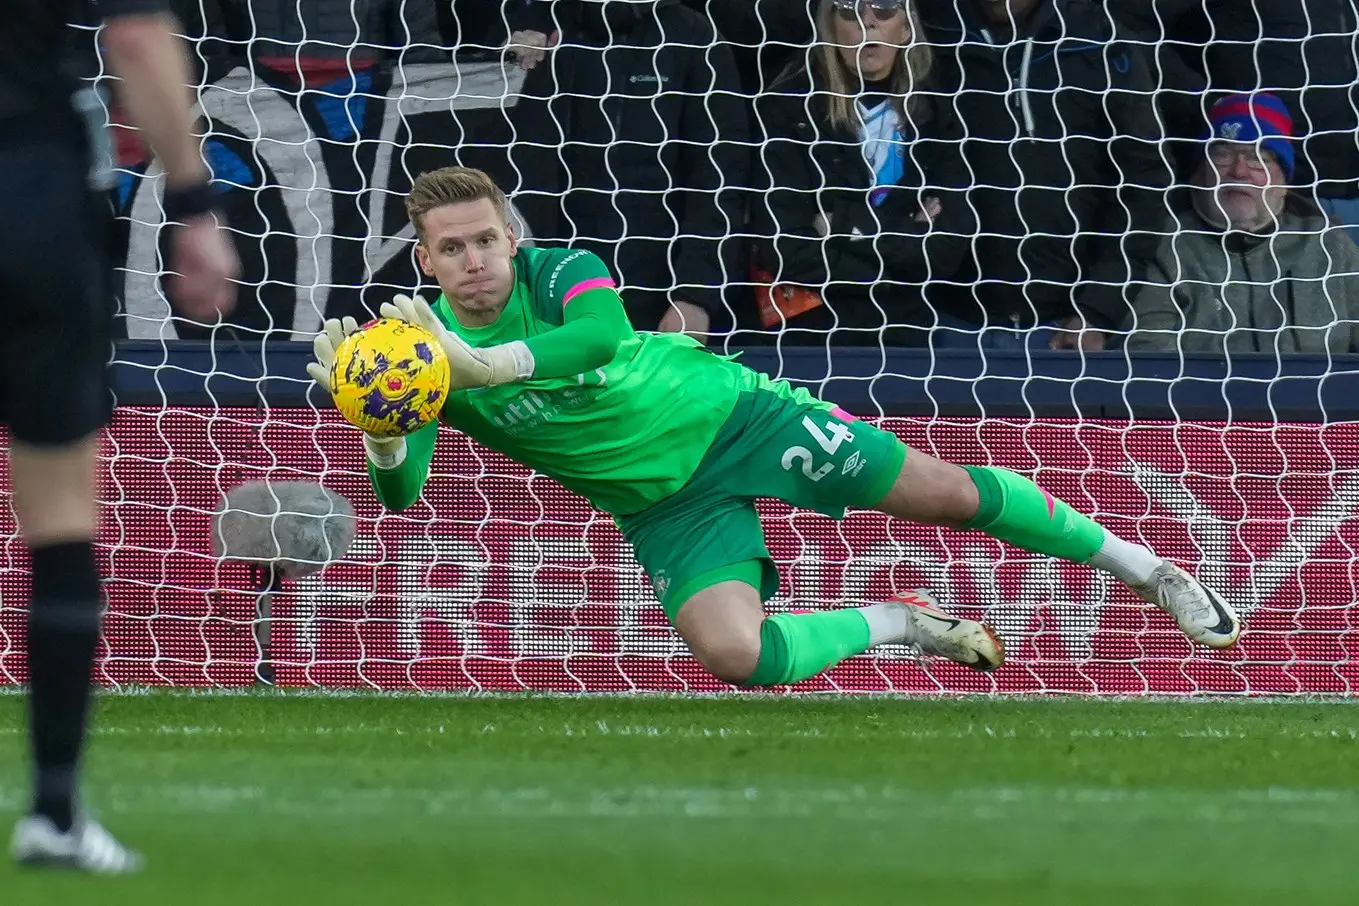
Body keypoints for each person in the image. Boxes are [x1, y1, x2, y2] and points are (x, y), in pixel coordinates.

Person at [308, 166, 1240, 693]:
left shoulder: (560, 269)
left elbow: (604, 336)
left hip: (737, 417)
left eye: (485, 240)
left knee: (948, 494)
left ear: (510, 239)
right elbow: (404, 492)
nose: (473, 261)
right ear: (423, 257)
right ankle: (897, 623)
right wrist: (382, 431)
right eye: (451, 249)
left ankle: (1146, 570)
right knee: (736, 656)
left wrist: (495, 365)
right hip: (664, 502)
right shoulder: (413, 354)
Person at [1, 0, 239, 873]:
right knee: (60, 512)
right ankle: (55, 812)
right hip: (32, 195)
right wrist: (193, 202)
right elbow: (137, 34)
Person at [747, 0, 975, 346]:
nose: (868, 21)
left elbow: (945, 252)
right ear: (830, 25)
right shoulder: (788, 110)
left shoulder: (939, 114)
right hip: (811, 338)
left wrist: (840, 227)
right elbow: (785, 248)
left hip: (910, 337)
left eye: (884, 7)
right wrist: (907, 235)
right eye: (848, 9)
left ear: (907, 26)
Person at [1124, 93, 1359, 355]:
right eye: (1222, 154)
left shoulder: (1330, 246)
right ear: (1198, 173)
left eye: (1258, 158)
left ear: (1284, 182)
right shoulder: (1161, 244)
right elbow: (1147, 355)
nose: (1239, 172)